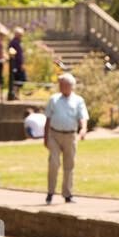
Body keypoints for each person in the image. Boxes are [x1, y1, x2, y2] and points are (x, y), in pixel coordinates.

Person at [43, 73, 88, 204]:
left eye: (63, 84)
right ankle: (50, 192)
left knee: (69, 165)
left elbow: (82, 116)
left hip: (70, 135)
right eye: (60, 84)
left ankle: (67, 194)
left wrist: (83, 128)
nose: (60, 87)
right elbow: (48, 118)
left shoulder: (78, 100)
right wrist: (45, 137)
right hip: (55, 135)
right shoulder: (54, 99)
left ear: (70, 86)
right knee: (54, 163)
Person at [7, 26, 26, 100]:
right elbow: (18, 55)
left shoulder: (16, 42)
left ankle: (16, 94)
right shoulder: (15, 42)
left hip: (17, 64)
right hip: (16, 65)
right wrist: (21, 64)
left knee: (18, 80)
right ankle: (15, 94)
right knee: (19, 79)